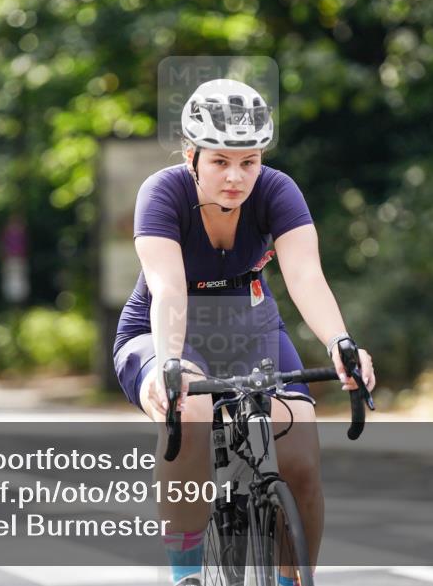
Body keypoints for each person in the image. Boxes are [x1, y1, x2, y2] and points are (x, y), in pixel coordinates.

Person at [112, 78, 376, 586]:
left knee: (299, 447)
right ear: (191, 156)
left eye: (248, 161)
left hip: (250, 325)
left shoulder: (277, 190)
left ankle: (290, 579)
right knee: (190, 409)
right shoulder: (161, 193)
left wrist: (341, 344)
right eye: (219, 162)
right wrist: (170, 365)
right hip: (165, 330)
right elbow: (168, 289)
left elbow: (304, 275)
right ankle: (185, 574)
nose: (236, 177)